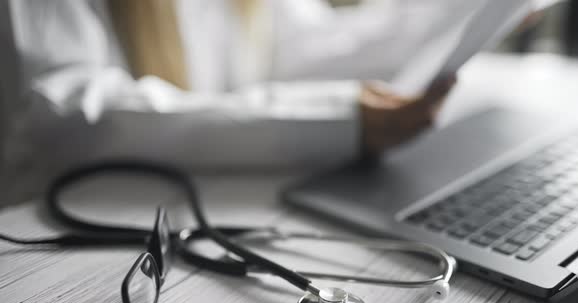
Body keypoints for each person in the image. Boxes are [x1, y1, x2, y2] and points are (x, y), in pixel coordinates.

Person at [1, 0, 499, 205]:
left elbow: (302, 47)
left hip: (203, 205)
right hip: (60, 230)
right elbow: (65, 114)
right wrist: (335, 120)